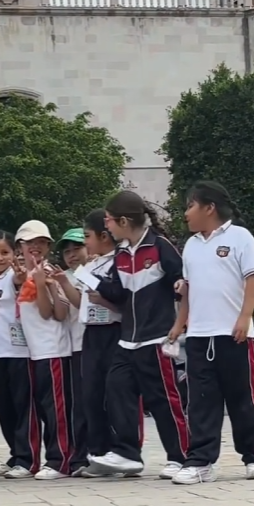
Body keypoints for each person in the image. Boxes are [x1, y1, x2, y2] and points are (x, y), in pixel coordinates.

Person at [167, 182, 254, 484]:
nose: (186, 213)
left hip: (234, 334)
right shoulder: (191, 245)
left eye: (190, 205)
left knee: (242, 398)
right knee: (201, 401)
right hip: (199, 336)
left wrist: (244, 317)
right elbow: (188, 291)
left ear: (208, 207)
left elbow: (253, 278)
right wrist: (178, 325)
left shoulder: (240, 237)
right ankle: (200, 461)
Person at [86, 192, 188, 479]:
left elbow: (180, 279)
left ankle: (179, 456)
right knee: (116, 388)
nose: (106, 225)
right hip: (126, 339)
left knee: (163, 399)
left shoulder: (159, 246)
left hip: (156, 338)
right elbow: (118, 293)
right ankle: (128, 453)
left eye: (108, 219)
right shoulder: (120, 252)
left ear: (123, 220)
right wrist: (92, 280)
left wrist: (180, 305)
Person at [15, 221, 77, 479]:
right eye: (30, 243)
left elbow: (52, 313)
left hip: (53, 350)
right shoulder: (20, 276)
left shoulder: (50, 272)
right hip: (34, 352)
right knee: (42, 408)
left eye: (41, 243)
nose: (36, 248)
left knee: (56, 410)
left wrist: (44, 284)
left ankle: (59, 460)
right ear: (21, 246)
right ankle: (37, 459)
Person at [0, 230, 38, 478]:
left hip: (20, 352)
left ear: (14, 254)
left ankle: (28, 459)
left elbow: (21, 285)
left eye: (5, 252)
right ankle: (15, 454)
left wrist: (21, 278)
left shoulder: (14, 276)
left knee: (24, 405)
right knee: (6, 407)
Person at [75, 210, 125, 467]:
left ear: (104, 236)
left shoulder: (120, 261)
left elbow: (122, 300)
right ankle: (96, 452)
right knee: (91, 393)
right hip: (91, 331)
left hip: (112, 331)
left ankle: (120, 451)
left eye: (87, 236)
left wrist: (104, 299)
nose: (85, 242)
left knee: (113, 394)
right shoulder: (91, 265)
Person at [53, 228, 91, 475]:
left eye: (77, 248)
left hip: (101, 345)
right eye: (67, 251)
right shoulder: (62, 277)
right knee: (80, 404)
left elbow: (84, 303)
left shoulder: (95, 271)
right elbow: (64, 310)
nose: (72, 255)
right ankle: (80, 457)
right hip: (76, 346)